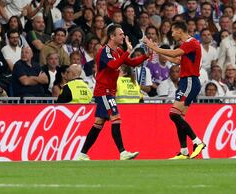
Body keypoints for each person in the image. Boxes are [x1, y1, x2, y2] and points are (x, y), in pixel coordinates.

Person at [77, 24, 149, 161]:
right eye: (120, 34)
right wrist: (128, 50)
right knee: (116, 118)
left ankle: (82, 153)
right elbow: (113, 65)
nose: (123, 36)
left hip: (109, 91)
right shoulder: (105, 51)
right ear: (112, 36)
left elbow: (131, 63)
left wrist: (146, 56)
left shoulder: (118, 51)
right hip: (104, 91)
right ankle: (122, 152)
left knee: (99, 123)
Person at [143, 21, 206, 160]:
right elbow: (178, 60)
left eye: (173, 31)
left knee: (173, 114)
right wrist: (155, 51)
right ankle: (184, 151)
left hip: (189, 81)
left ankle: (197, 142)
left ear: (179, 31)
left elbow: (175, 53)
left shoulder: (191, 42)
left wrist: (156, 47)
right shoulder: (188, 45)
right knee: (179, 118)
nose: (172, 34)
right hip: (187, 82)